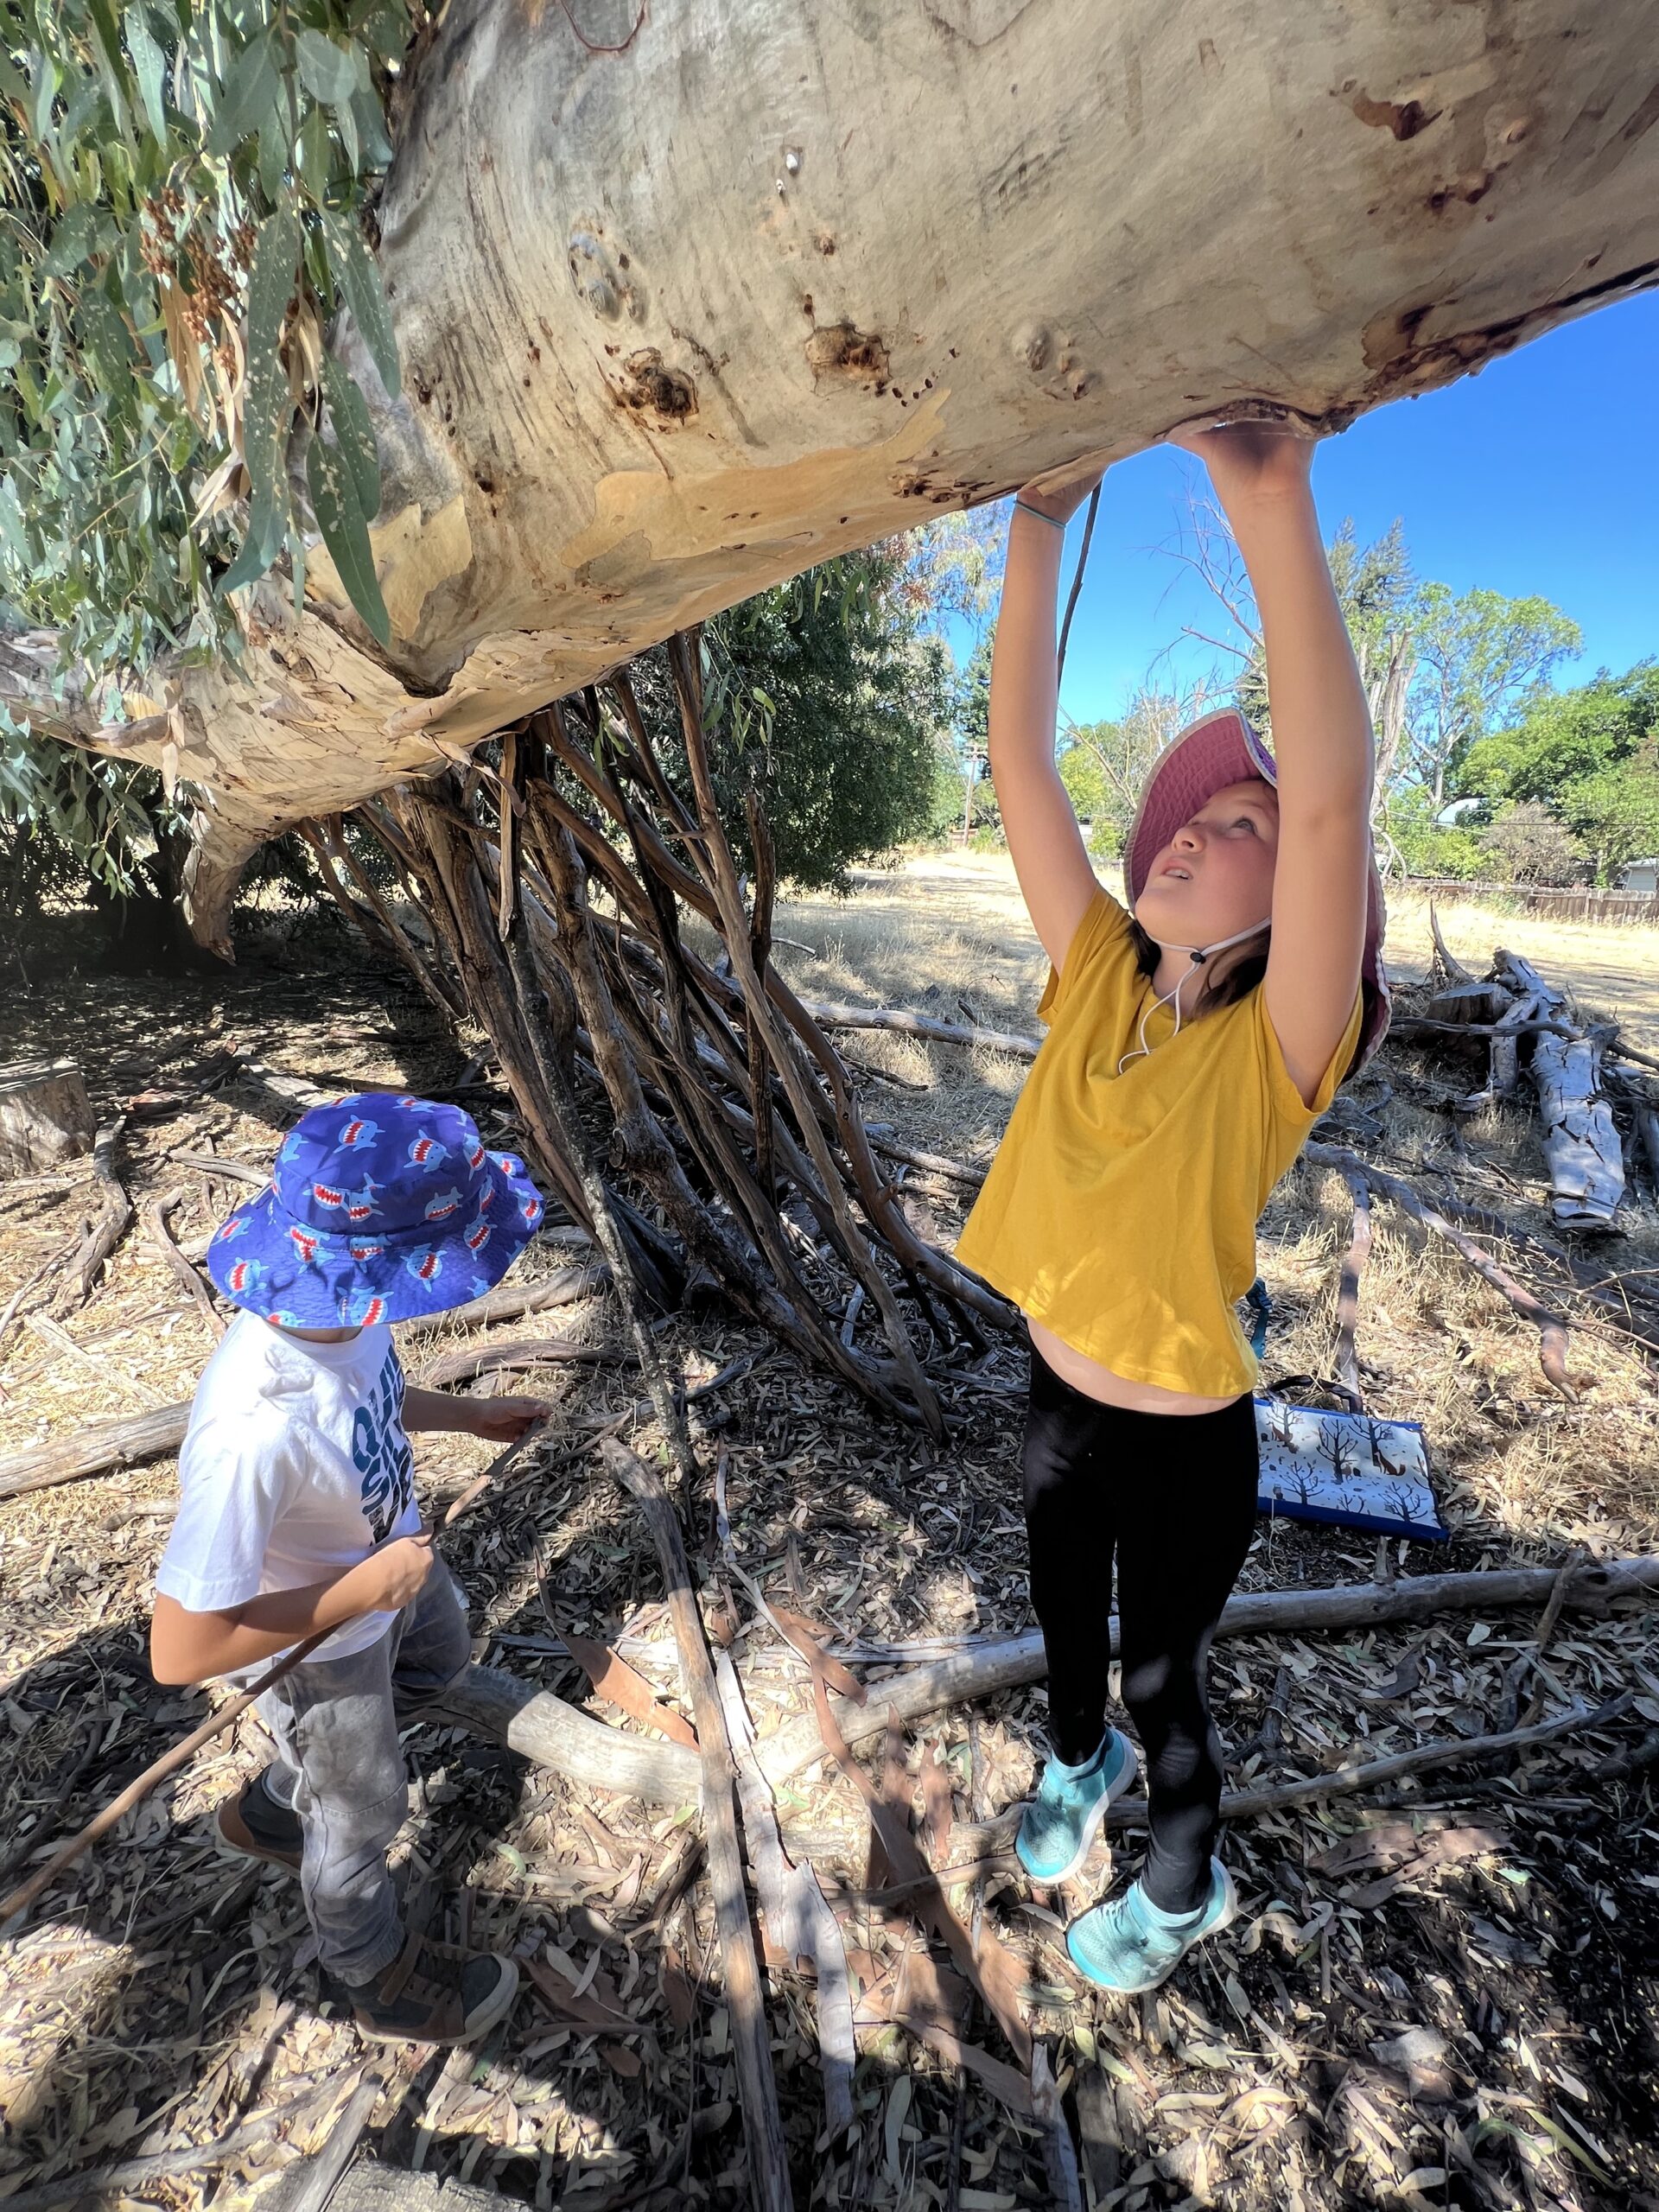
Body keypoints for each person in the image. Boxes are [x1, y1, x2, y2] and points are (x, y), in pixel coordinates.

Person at [954, 421, 1390, 1993]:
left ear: (1299, 920)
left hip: (1188, 1441)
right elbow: (1015, 754)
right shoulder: (1093, 979)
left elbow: (1333, 806)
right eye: (1193, 819)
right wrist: (1037, 518)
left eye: (1244, 831)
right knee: (1068, 1631)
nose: (1200, 829)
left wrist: (1267, 499)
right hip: (1055, 1394)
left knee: (1158, 1674)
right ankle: (1074, 1771)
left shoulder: (1277, 1054)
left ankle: (1183, 1877)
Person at [150, 1091, 556, 2044]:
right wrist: (356, 1594)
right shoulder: (252, 1432)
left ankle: (278, 1804)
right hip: (323, 1629)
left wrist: (465, 1414)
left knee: (438, 1661)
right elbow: (180, 1647)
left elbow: (369, 1384)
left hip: (385, 1570)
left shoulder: (338, 1310)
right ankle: (373, 1969)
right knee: (365, 1805)